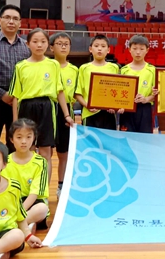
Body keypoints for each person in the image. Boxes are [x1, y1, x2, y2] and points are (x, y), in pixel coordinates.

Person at [10, 28, 71, 177]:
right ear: (27, 44)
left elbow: (60, 91)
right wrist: (15, 121)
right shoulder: (20, 66)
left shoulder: (53, 65)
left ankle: (43, 189)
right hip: (26, 108)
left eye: (43, 41)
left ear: (47, 44)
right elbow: (16, 96)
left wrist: (67, 115)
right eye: (35, 41)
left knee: (45, 152)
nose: (39, 45)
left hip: (47, 108)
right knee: (28, 150)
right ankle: (28, 185)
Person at [0, 5, 30, 153]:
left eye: (15, 19)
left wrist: (17, 95)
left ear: (20, 23)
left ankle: (12, 168)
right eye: (7, 18)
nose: (11, 21)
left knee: (16, 141)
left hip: (18, 101)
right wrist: (2, 94)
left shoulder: (27, 47)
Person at [2, 119, 48, 235]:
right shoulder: (5, 162)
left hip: (32, 203)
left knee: (42, 208)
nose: (24, 141)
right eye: (19, 137)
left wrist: (20, 212)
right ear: (11, 139)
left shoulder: (40, 162)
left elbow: (34, 193)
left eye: (28, 137)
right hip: (12, 203)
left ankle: (12, 225)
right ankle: (26, 225)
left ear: (34, 138)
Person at [50, 32, 80, 198]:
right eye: (59, 43)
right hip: (48, 108)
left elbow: (78, 92)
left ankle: (61, 186)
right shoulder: (46, 66)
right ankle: (42, 189)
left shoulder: (75, 70)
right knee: (45, 153)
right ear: (51, 47)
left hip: (67, 111)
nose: (63, 47)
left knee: (64, 153)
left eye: (66, 44)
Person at [74, 35, 120, 130]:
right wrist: (88, 106)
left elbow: (118, 91)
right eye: (96, 46)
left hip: (109, 113)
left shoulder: (114, 68)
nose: (99, 49)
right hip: (89, 113)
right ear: (90, 49)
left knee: (108, 139)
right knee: (90, 139)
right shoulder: (84, 68)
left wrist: (114, 106)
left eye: (103, 46)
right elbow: (78, 93)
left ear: (108, 50)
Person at [119, 35, 156, 134]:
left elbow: (156, 94)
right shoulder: (123, 70)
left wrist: (146, 99)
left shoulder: (152, 70)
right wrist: (121, 105)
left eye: (141, 49)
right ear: (129, 49)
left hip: (145, 109)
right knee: (126, 137)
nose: (138, 52)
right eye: (135, 49)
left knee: (144, 138)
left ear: (147, 50)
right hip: (127, 109)